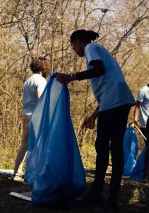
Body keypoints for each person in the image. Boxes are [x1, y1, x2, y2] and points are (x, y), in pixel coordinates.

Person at [56, 30, 135, 208]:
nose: (74, 49)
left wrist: (72, 77)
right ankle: (109, 198)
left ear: (77, 42)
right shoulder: (99, 49)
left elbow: (98, 70)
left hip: (115, 103)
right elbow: (108, 88)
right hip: (118, 102)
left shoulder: (91, 47)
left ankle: (98, 196)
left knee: (104, 147)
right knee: (113, 148)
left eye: (72, 45)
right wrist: (93, 116)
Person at [13, 57, 50, 182]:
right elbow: (40, 97)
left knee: (25, 144)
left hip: (25, 114)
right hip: (36, 115)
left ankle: (17, 173)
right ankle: (33, 175)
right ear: (44, 67)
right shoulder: (41, 80)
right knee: (37, 145)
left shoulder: (28, 80)